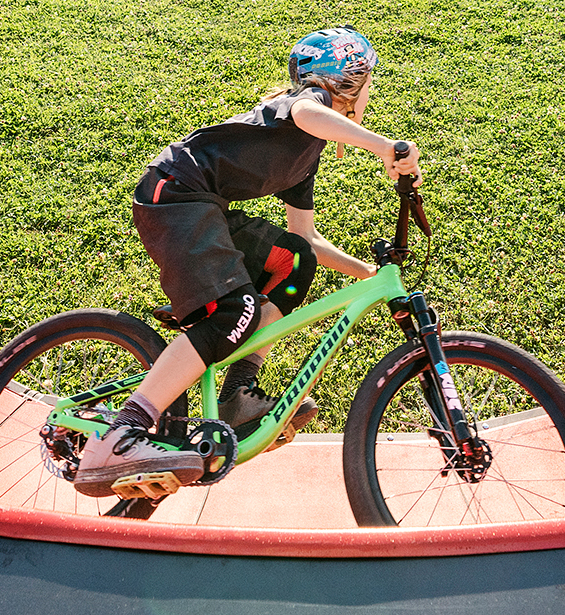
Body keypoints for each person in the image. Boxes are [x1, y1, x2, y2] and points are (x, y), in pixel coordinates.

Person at [73, 27, 422, 500]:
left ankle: (238, 395)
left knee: (294, 261)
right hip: (174, 196)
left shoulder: (306, 153)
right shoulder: (303, 108)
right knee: (233, 314)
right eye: (368, 83)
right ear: (349, 82)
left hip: (203, 206)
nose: (370, 95)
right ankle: (121, 434)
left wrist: (368, 275)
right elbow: (307, 111)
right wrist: (384, 146)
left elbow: (307, 238)